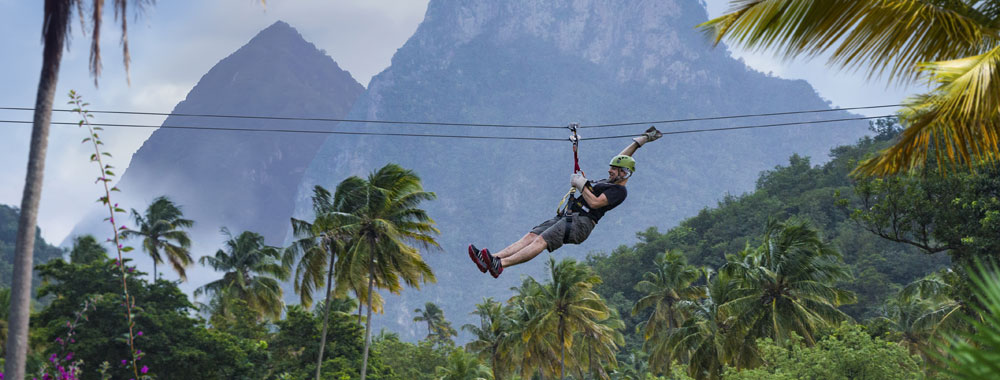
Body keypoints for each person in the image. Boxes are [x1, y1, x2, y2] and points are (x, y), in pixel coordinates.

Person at [469, 127, 662, 278]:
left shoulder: (619, 191)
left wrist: (581, 185)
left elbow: (595, 203)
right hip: (571, 215)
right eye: (611, 169)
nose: (610, 171)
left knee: (540, 241)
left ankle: (501, 265)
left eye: (614, 170)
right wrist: (640, 141)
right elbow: (623, 159)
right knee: (531, 235)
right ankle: (493, 258)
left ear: (623, 173)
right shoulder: (611, 180)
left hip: (581, 223)